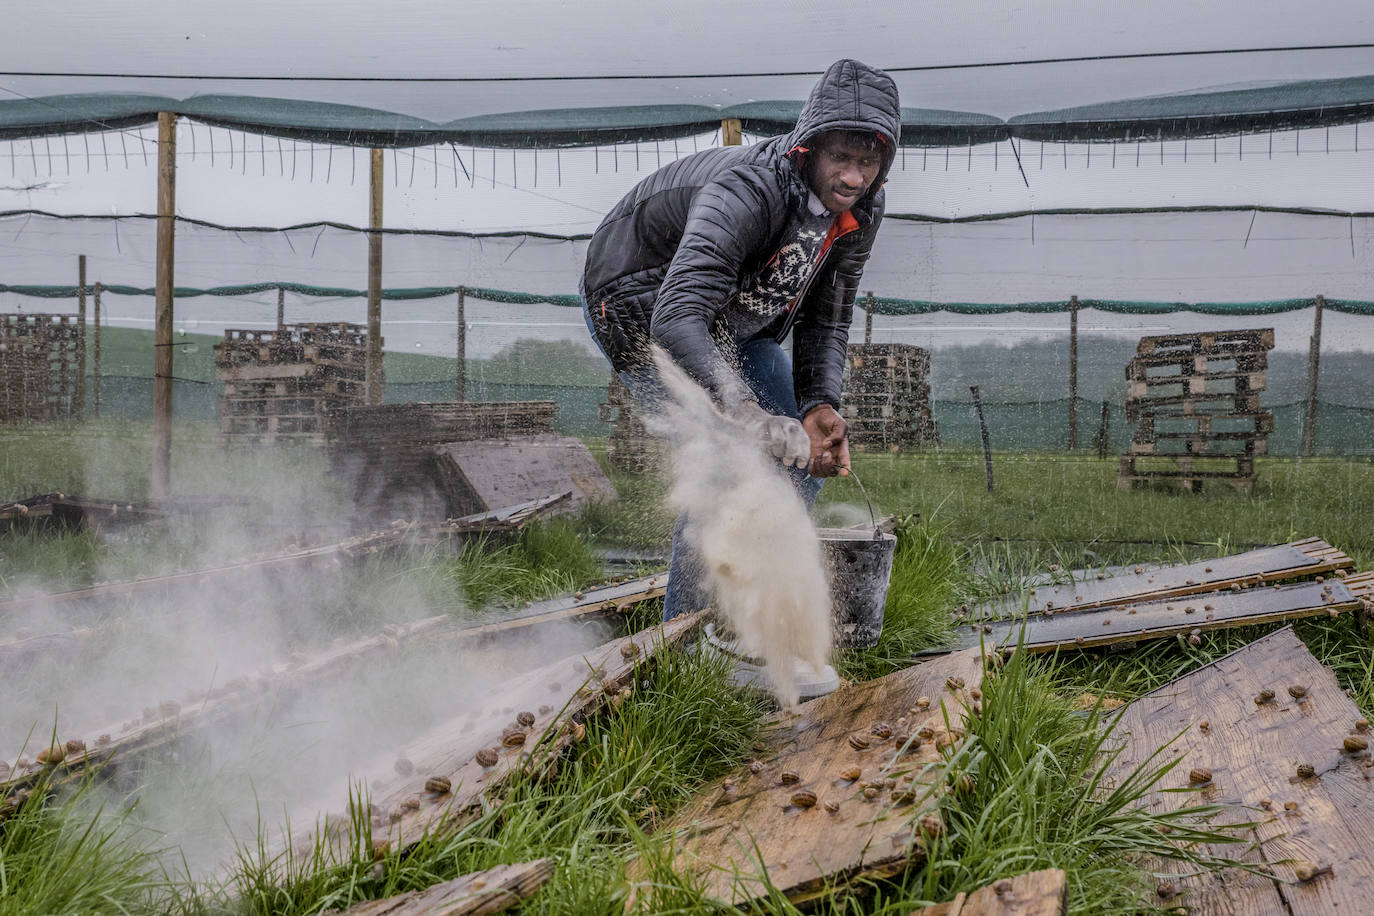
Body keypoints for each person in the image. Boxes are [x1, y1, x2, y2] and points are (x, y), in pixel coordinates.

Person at [581, 58, 901, 621]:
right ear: (809, 150)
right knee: (729, 467)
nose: (853, 177)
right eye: (842, 159)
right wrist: (744, 409)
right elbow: (678, 317)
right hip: (640, 307)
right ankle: (689, 648)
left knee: (802, 453)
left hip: (733, 319)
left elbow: (827, 318)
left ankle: (758, 614)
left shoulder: (861, 209)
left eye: (868, 162)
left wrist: (819, 404)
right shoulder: (747, 191)